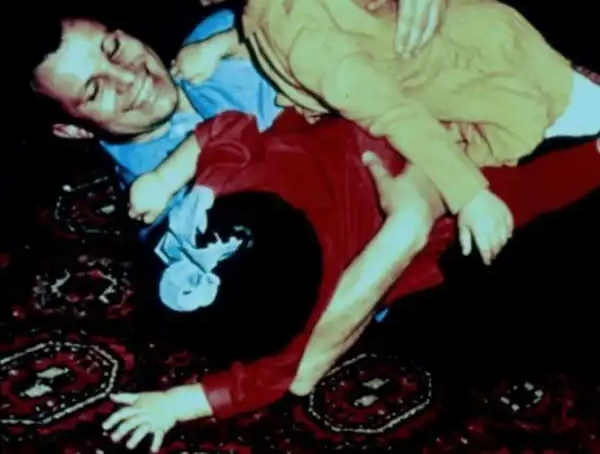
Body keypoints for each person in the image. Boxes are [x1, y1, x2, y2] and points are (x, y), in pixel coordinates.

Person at [169, 0, 600, 266]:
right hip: (467, 34)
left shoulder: (297, 37)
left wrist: (469, 194)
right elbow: (289, 32)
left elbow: (389, 111)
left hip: (471, 75)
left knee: (565, 108)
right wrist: (217, 47)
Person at [104, 109, 600, 451]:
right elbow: (263, 382)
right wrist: (174, 405)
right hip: (431, 208)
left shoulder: (229, 180)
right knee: (518, 195)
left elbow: (225, 129)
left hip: (381, 126)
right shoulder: (291, 328)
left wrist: (165, 178)